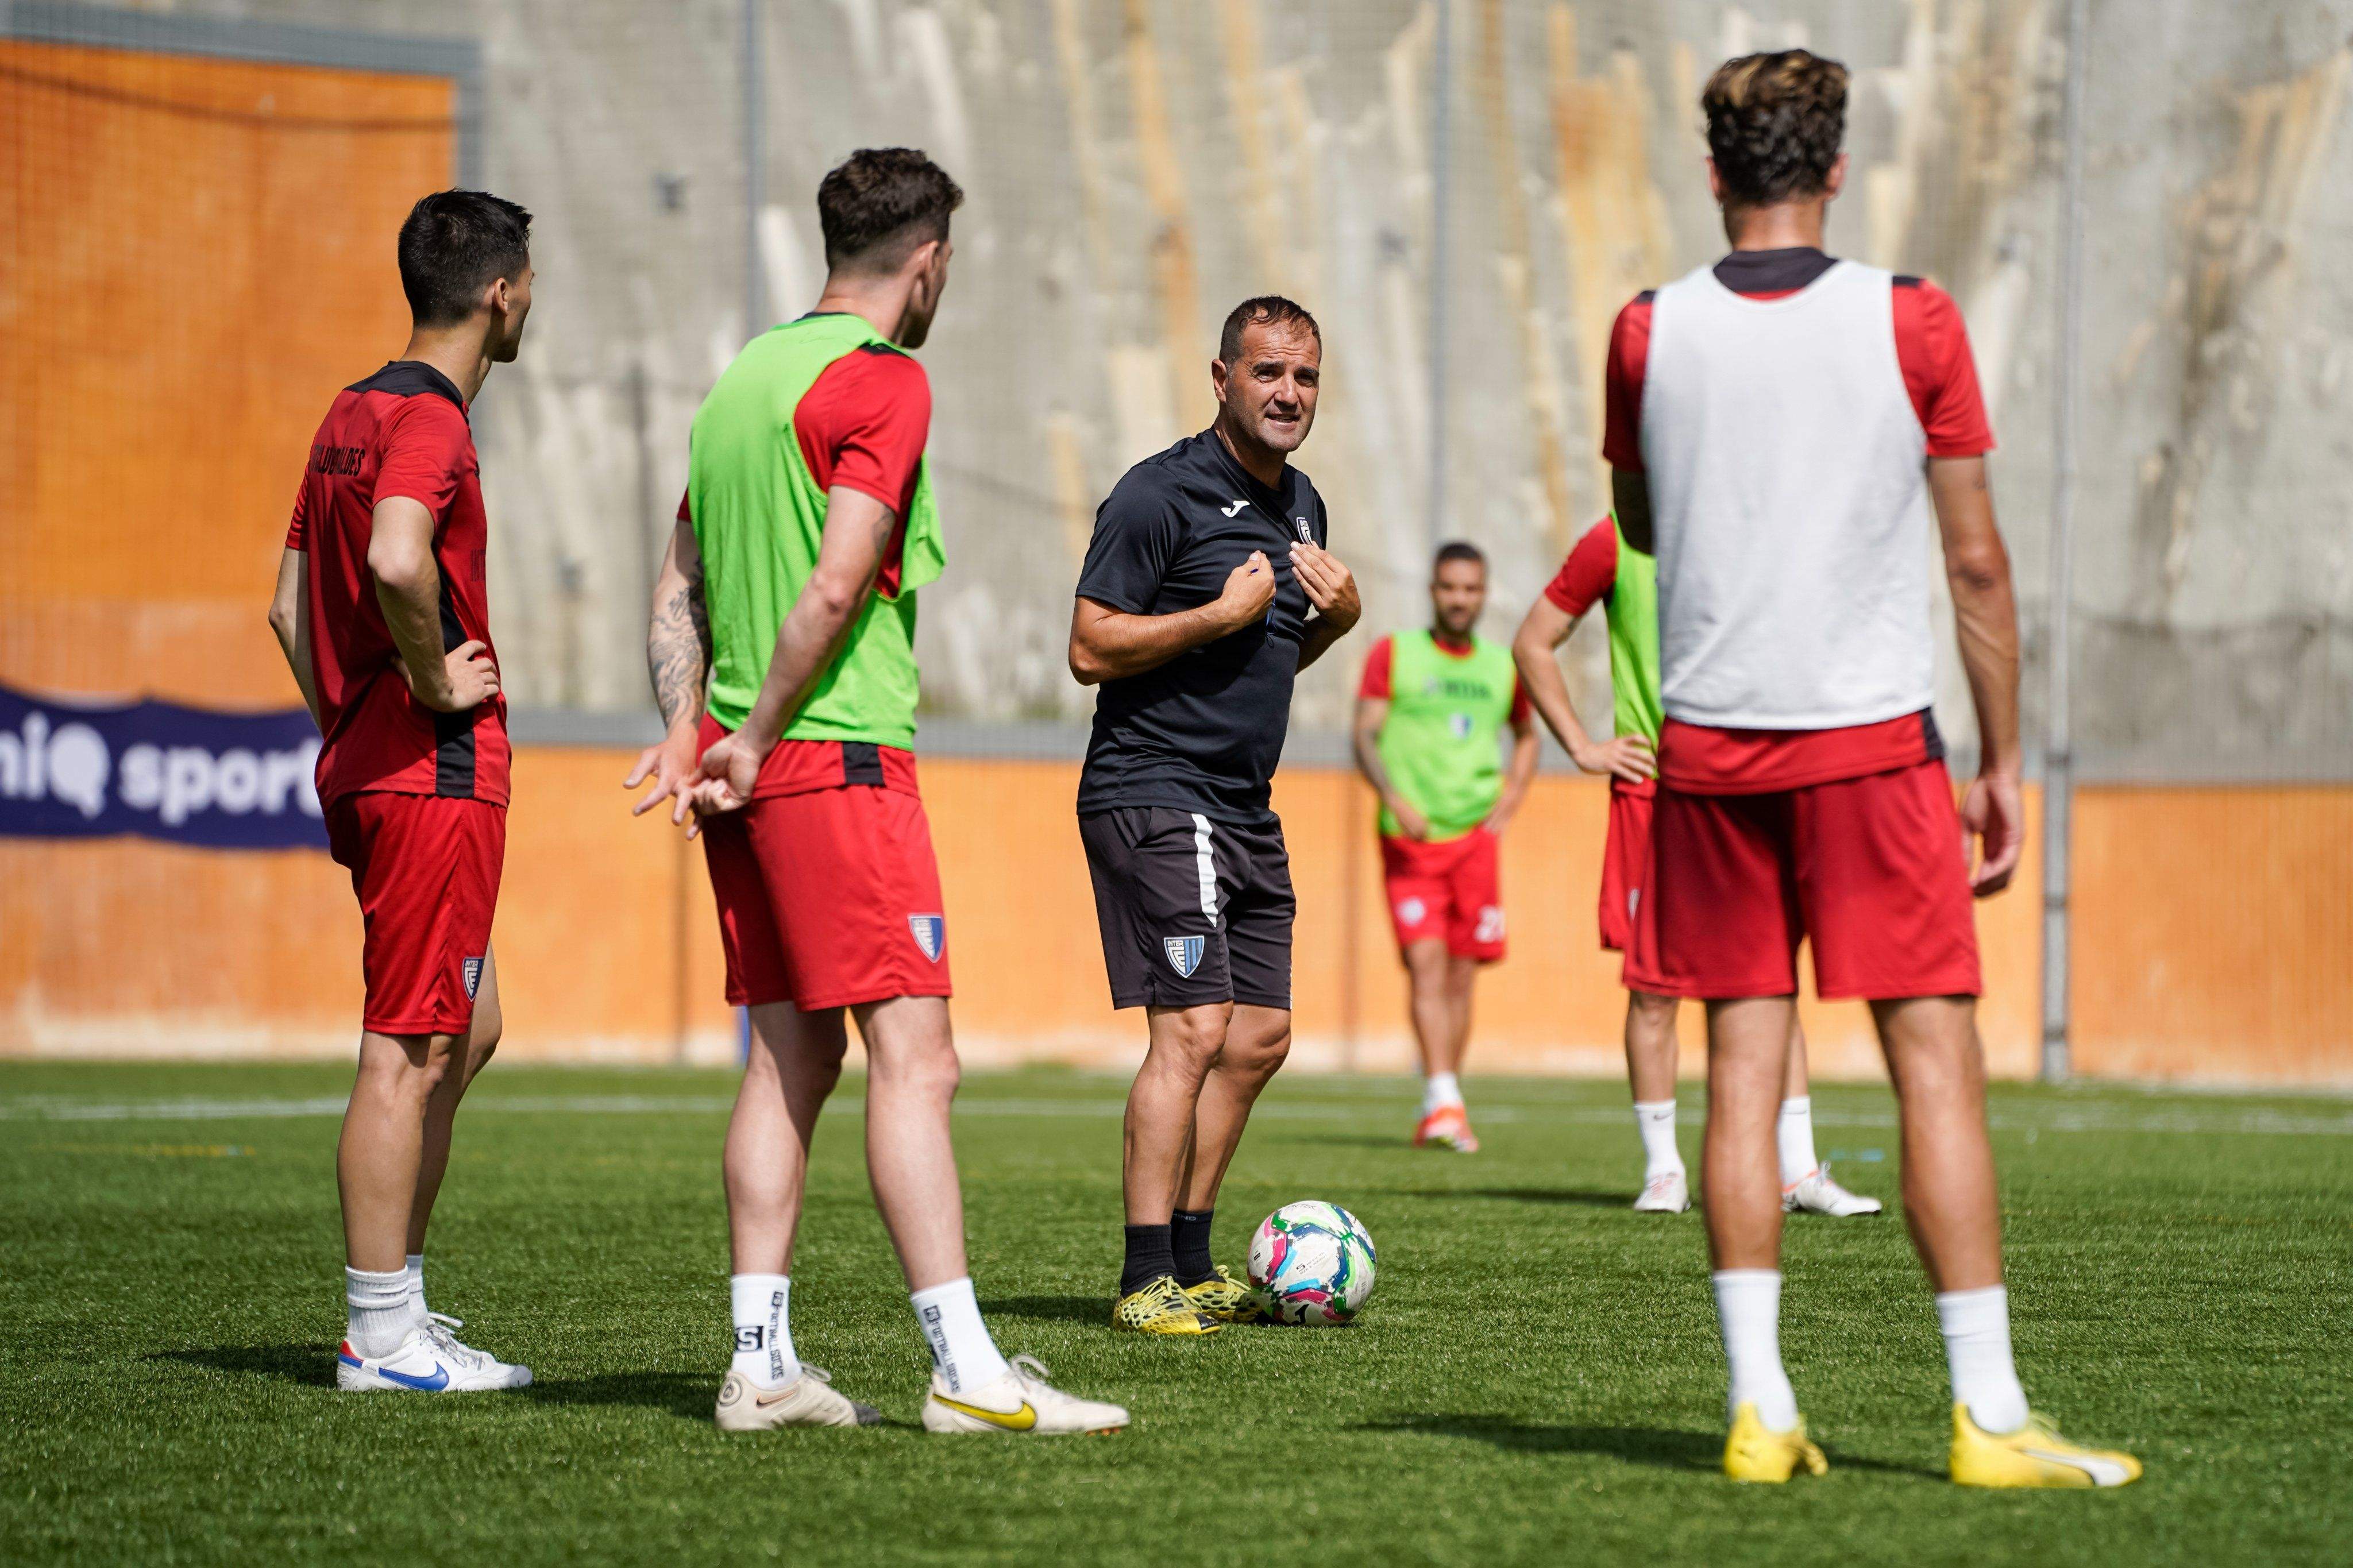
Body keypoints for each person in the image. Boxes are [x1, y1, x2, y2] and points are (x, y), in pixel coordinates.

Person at [1610, 51, 2139, 1486]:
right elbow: (1975, 564)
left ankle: (1760, 1413)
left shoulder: (1645, 332)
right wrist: (2005, 759)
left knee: (1741, 1070)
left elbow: (1641, 526)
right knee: (1933, 1068)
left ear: (1713, 174)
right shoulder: (1913, 318)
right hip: (1871, 750)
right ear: (1836, 169)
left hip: (1709, 752)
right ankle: (1989, 1417)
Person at [627, 148, 1124, 1435]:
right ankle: (966, 1374)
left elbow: (678, 580)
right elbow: (839, 579)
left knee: (789, 1056)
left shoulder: (742, 383)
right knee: (918, 1060)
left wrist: (691, 731)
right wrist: (757, 734)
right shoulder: (885, 379)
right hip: (831, 760)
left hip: (744, 767)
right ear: (929, 261)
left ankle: (760, 1366)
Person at [268, 190, 534, 1393]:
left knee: (468, 1026)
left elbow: (287, 610)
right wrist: (428, 684)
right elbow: (393, 555)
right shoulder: (431, 421)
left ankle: (403, 1310)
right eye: (528, 287)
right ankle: (380, 1337)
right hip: (433, 767)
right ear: (500, 293)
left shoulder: (349, 410)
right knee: (410, 1047)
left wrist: (350, 728)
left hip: (375, 762)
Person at [1070, 296, 1361, 1334]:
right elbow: (1089, 647)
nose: (1289, 393)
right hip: (1155, 791)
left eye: (1306, 376)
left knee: (1259, 1035)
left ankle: (1193, 1262)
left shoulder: (1305, 506)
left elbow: (1269, 651)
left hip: (1244, 805)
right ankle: (1144, 1275)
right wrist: (1213, 614)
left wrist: (1339, 621)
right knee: (1193, 1026)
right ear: (1221, 377)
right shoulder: (1159, 494)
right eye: (1268, 372)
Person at [1513, 516, 1881, 1219]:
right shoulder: (1615, 541)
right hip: (1654, 796)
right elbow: (1533, 640)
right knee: (1653, 990)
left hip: (1751, 791)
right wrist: (1584, 746)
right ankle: (1664, 1173)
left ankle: (1797, 1172)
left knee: (1771, 981)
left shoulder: (1757, 527)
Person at [1351, 542, 1538, 1152]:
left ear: (1484, 594)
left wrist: (1514, 794)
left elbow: (1528, 734)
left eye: (1471, 589)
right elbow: (1365, 733)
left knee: (1461, 976)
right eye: (1450, 587)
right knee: (1426, 965)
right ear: (1434, 591)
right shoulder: (1394, 653)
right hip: (1411, 840)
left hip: (1475, 840)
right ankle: (1443, 1098)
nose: (1460, 599)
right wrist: (1392, 796)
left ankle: (1444, 1100)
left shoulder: (1503, 666)